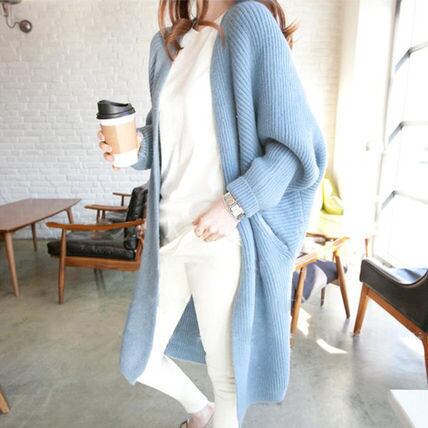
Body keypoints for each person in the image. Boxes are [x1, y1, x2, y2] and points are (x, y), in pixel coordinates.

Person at [98, 1, 327, 427]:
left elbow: (295, 147)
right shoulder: (168, 44)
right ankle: (200, 413)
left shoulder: (249, 22)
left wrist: (234, 205)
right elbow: (169, 139)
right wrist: (133, 148)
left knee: (229, 381)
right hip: (170, 233)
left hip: (222, 236)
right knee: (141, 358)